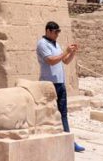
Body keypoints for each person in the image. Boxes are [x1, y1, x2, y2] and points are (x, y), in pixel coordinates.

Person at [36, 20, 85, 153]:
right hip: (48, 85)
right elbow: (51, 61)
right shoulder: (42, 44)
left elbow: (65, 61)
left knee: (63, 113)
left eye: (58, 32)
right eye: (55, 32)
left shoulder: (56, 44)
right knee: (47, 114)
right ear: (48, 31)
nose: (57, 35)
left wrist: (72, 53)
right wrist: (65, 52)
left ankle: (68, 142)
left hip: (60, 84)